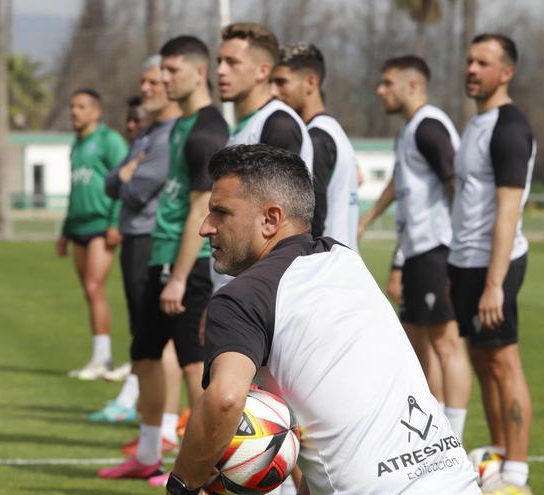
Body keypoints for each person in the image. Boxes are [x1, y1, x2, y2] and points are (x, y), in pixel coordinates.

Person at [163, 144, 479, 495]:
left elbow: (224, 399)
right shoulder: (345, 261)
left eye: (220, 213)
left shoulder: (243, 297)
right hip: (457, 481)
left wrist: (182, 485)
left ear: (271, 219)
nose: (206, 227)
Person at [97, 35, 228, 485]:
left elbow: (200, 207)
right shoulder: (179, 126)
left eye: (172, 70)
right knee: (145, 356)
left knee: (194, 363)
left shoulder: (208, 130)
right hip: (159, 255)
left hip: (183, 264)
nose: (164, 78)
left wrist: (180, 276)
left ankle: (207, 467)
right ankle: (149, 453)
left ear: (199, 72)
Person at [358, 55, 472, 442]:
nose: (380, 90)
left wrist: (461, 247)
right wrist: (368, 220)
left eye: (387, 83)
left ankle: (452, 438)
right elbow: (399, 182)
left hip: (438, 249)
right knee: (415, 341)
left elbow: (455, 180)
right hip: (417, 251)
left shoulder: (430, 127)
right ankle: (433, 426)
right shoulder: (408, 131)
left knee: (445, 343)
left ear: (412, 85)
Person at [449, 34, 536, 495]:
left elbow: (507, 210)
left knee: (504, 363)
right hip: (465, 264)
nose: (472, 69)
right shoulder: (475, 123)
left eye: (483, 63)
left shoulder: (509, 127)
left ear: (506, 73)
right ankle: (500, 456)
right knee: (483, 364)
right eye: (469, 60)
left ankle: (517, 475)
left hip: (494, 266)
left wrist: (495, 283)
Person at [87, 56, 184, 444]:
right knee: (143, 336)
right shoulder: (146, 134)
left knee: (163, 339)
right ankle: (151, 428)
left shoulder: (168, 135)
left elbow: (138, 189)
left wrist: (125, 178)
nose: (144, 88)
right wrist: (124, 177)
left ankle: (165, 427)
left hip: (152, 240)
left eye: (151, 81)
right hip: (136, 239)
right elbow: (112, 183)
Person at [213, 21, 314, 292]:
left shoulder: (278, 125)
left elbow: (278, 225)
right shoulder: (245, 125)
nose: (220, 70)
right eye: (219, 61)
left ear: (263, 70)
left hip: (267, 289)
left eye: (232, 62)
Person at [56, 88, 129, 380]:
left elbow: (124, 181)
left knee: (94, 287)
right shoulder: (76, 144)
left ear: (96, 111)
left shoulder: (109, 141)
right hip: (79, 228)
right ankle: (100, 355)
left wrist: (115, 222)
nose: (75, 112)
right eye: (72, 106)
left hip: (102, 225)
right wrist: (64, 230)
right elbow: (75, 190)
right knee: (89, 291)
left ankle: (103, 359)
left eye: (82, 106)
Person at [271, 42, 359, 250]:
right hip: (342, 259)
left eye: (282, 82)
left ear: (310, 82)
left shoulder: (316, 139)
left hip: (326, 266)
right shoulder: (333, 130)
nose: (274, 91)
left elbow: (313, 218)